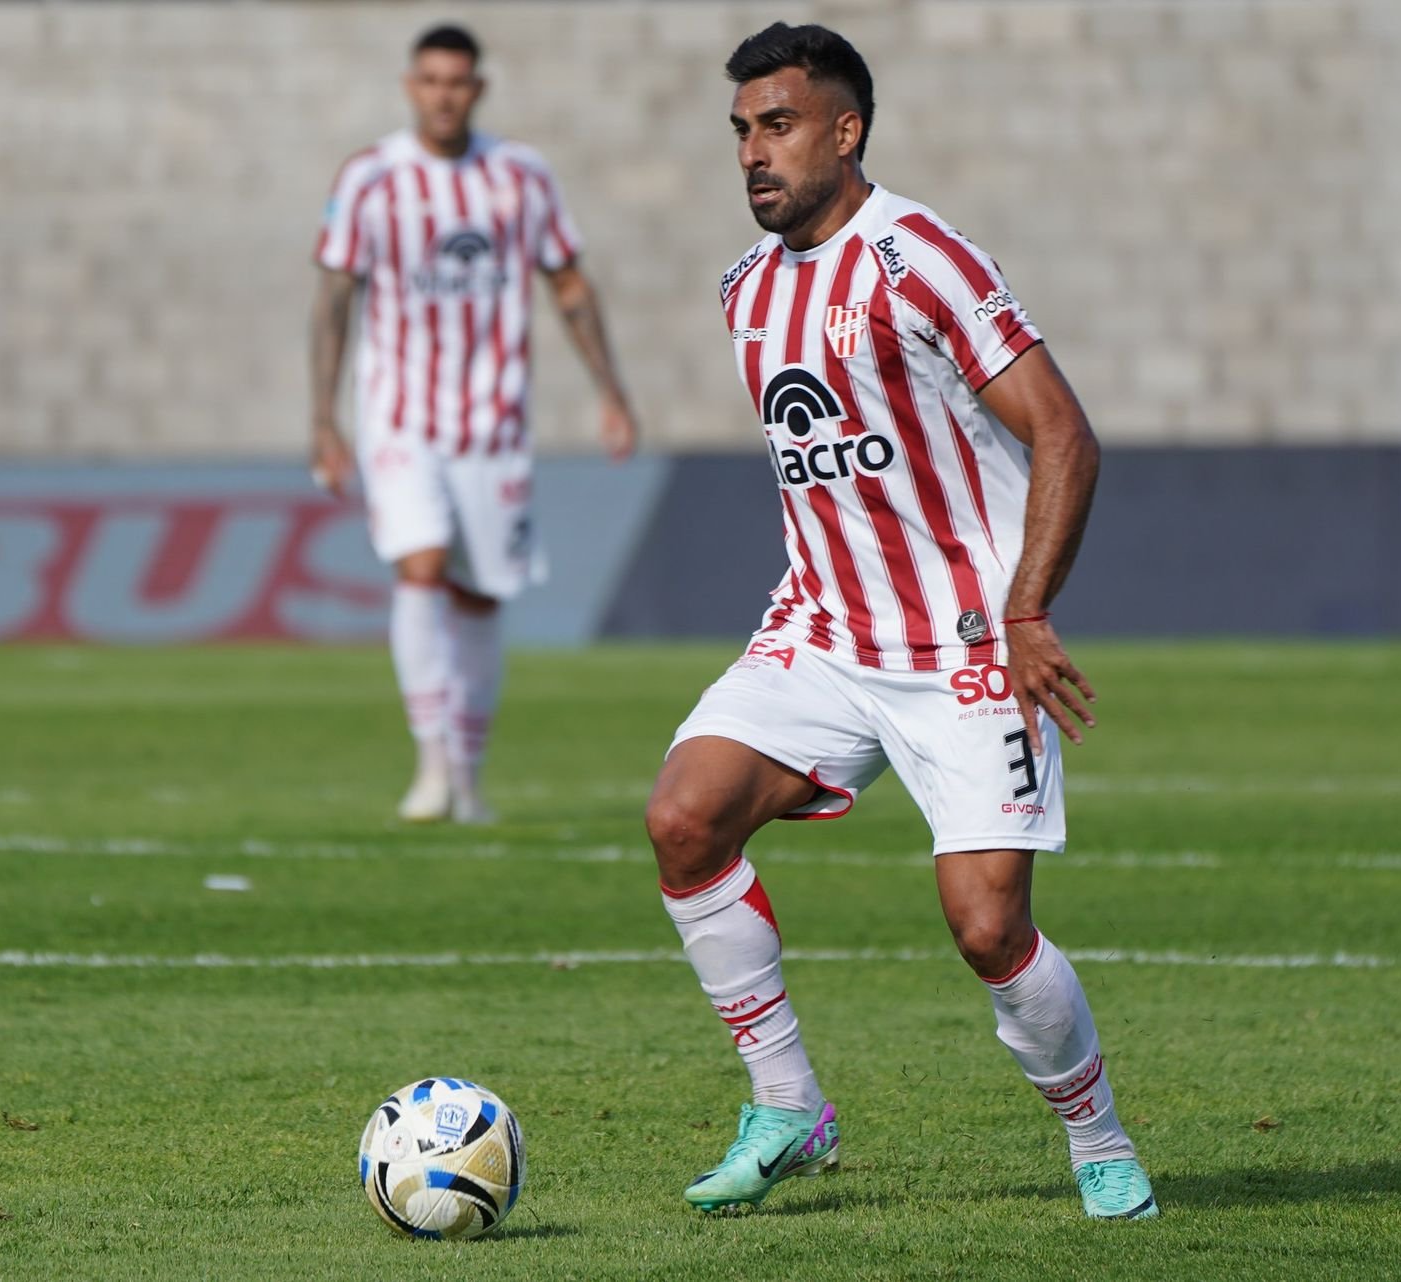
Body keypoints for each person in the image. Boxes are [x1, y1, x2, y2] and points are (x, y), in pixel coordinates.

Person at [645, 23, 1156, 1219]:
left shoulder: (920, 260)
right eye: (741, 131)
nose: (753, 152)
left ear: (845, 130)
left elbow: (1063, 432)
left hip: (965, 646)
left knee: (987, 928)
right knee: (684, 819)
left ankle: (1096, 1136)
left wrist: (1024, 608)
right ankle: (788, 1105)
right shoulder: (745, 289)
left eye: (777, 126)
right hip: (823, 633)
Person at [309, 24, 637, 824]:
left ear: (478, 89)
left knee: (484, 595)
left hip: (493, 423)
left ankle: (467, 771)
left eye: (457, 82)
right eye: (430, 81)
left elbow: (568, 285)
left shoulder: (520, 175)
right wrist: (323, 418)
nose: (444, 96)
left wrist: (611, 392)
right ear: (410, 86)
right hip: (400, 416)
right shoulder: (371, 177)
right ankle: (430, 765)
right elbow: (334, 299)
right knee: (421, 565)